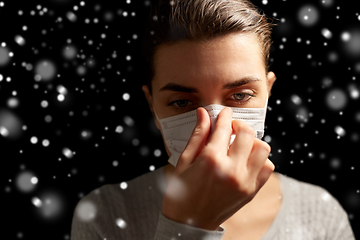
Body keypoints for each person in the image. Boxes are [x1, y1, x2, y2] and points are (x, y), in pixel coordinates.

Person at [71, 0, 355, 239]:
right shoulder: (104, 213)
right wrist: (187, 224)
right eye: (182, 102)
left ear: (268, 93)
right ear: (152, 105)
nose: (215, 125)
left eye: (241, 96)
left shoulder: (321, 213)